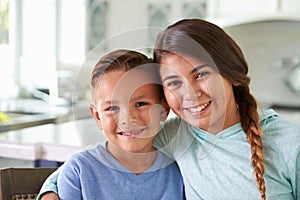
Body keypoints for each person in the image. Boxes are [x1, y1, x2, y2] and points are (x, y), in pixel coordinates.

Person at [39, 19, 300, 200]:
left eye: (201, 74)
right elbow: (90, 165)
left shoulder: (290, 146)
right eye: (174, 82)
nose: (190, 93)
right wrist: (50, 191)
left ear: (231, 73)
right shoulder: (176, 136)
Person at [41, 49, 185, 200]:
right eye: (112, 108)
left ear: (163, 110)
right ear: (97, 116)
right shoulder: (78, 171)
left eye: (141, 104)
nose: (128, 118)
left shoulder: (178, 172)